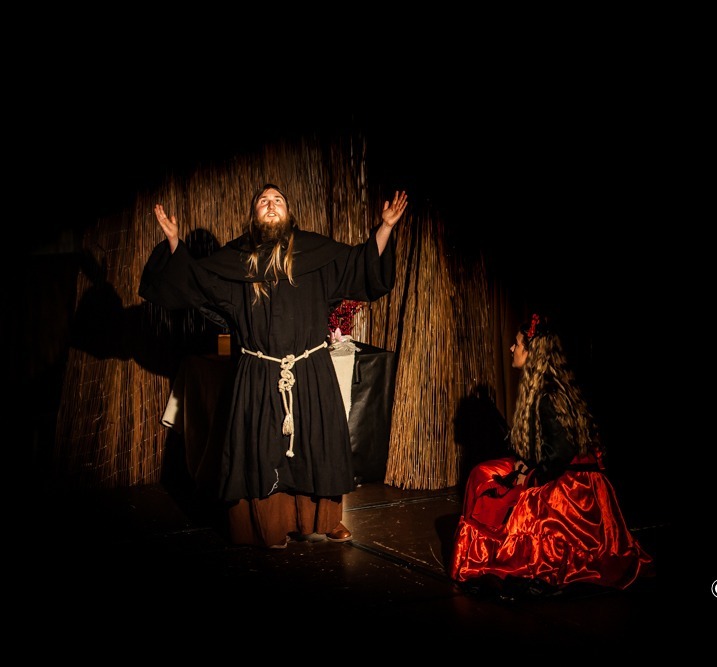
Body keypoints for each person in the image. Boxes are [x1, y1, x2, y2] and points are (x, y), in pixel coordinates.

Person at [140, 183, 407, 549]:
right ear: (254, 214)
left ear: (288, 212)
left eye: (277, 200)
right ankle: (266, 525)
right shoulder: (236, 261)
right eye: (263, 200)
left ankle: (324, 519)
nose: (271, 204)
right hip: (259, 372)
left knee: (317, 445)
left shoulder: (315, 253)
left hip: (311, 370)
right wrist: (174, 243)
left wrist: (386, 227)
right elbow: (196, 283)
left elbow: (361, 265)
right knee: (262, 451)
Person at [449, 313, 654, 595]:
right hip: (560, 471)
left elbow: (559, 455)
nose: (511, 348)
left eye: (517, 344)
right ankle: (480, 546)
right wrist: (526, 464)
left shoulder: (548, 395)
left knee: (493, 486)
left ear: (531, 353)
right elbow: (549, 447)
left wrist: (529, 475)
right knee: (484, 471)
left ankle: (488, 553)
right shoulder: (544, 388)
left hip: (572, 487)